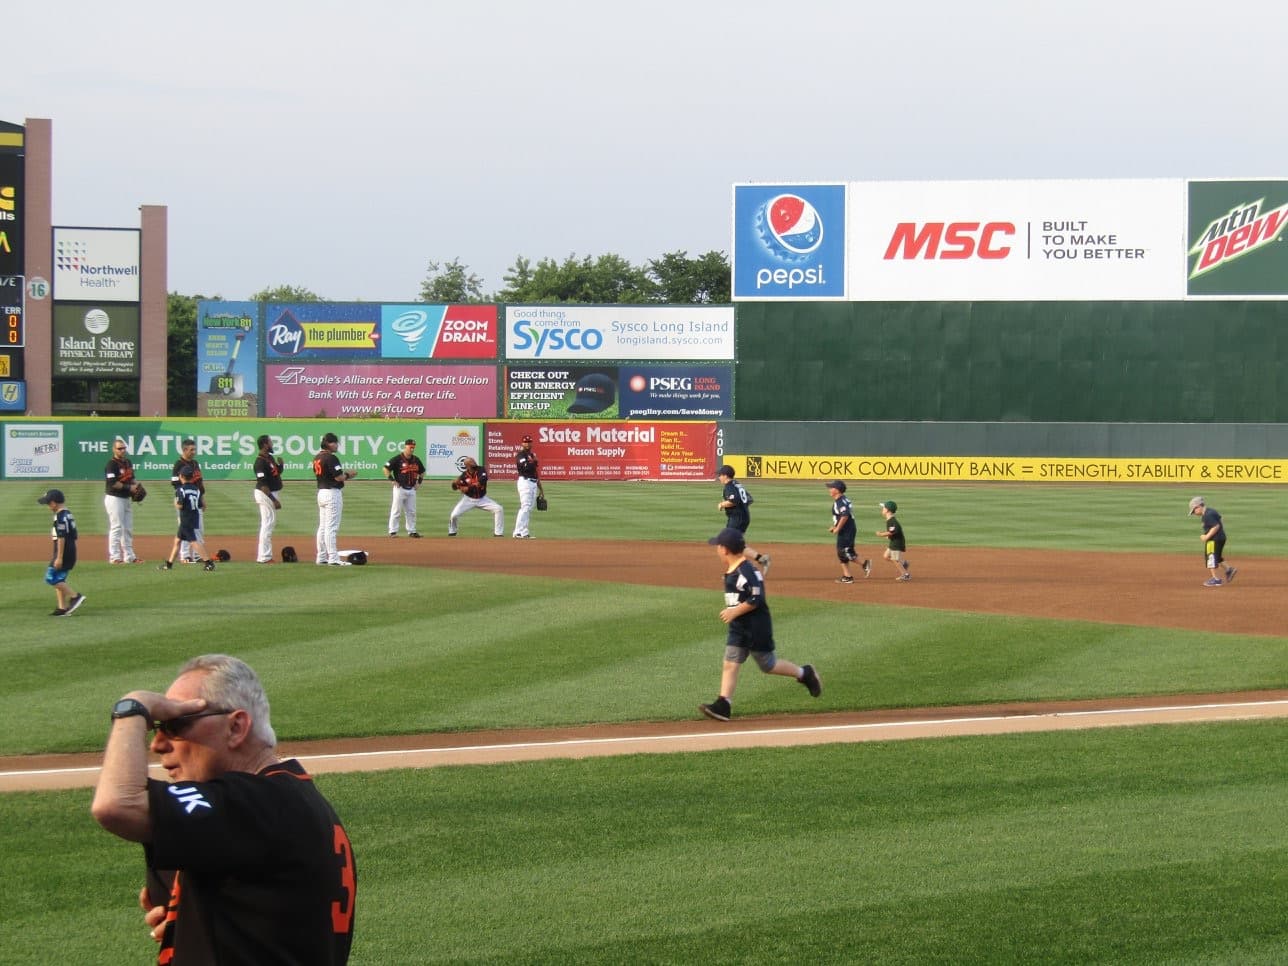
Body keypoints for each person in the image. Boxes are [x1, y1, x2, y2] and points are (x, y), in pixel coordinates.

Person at [91, 654, 356, 964]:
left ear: (236, 727)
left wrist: (132, 708)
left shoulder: (261, 805)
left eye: (177, 724)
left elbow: (116, 804)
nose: (158, 744)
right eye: (157, 727)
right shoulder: (283, 798)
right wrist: (186, 919)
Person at [698, 527, 821, 722]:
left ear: (725, 549)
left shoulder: (747, 571)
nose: (717, 549)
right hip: (739, 628)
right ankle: (724, 704)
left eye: (718, 546)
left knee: (768, 665)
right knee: (730, 663)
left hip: (756, 628)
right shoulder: (733, 570)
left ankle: (804, 673)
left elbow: (757, 598)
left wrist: (733, 611)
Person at [38, 488, 86, 616]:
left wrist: (59, 557)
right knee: (60, 579)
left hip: (63, 551)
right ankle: (62, 608)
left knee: (50, 578)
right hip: (69, 549)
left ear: (53, 503)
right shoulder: (68, 513)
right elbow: (74, 535)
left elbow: (61, 537)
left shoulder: (60, 516)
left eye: (48, 503)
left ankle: (75, 596)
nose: (48, 506)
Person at [716, 464, 771, 573]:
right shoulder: (737, 484)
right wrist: (742, 508)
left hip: (737, 519)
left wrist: (722, 504)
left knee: (728, 544)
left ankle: (739, 570)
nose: (719, 477)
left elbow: (734, 500)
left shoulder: (729, 486)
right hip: (743, 516)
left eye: (720, 475)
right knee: (737, 544)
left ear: (726, 476)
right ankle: (761, 559)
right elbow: (749, 499)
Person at [158, 466, 215, 571]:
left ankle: (208, 562)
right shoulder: (197, 490)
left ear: (181, 476)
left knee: (193, 542)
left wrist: (175, 503)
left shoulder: (181, 490)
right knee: (177, 541)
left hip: (185, 519)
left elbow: (180, 505)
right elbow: (201, 506)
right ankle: (169, 564)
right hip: (194, 517)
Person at [314, 432, 355, 565]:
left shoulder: (317, 457)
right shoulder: (331, 458)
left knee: (323, 527)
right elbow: (338, 477)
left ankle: (321, 557)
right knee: (331, 528)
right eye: (335, 443)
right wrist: (349, 474)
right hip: (332, 493)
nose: (337, 445)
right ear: (328, 444)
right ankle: (333, 558)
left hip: (321, 492)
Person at [104, 437, 144, 563]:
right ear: (114, 449)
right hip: (114, 498)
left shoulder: (128, 462)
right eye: (119, 448)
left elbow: (131, 478)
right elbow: (113, 483)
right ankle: (115, 557)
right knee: (116, 527)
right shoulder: (111, 464)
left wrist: (137, 487)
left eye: (124, 448)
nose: (122, 450)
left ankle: (129, 556)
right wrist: (129, 487)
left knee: (127, 528)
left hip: (126, 498)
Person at [448, 457, 504, 537]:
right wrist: (455, 484)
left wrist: (467, 488)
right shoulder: (464, 476)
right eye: (471, 462)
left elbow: (481, 481)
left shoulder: (481, 469)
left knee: (499, 509)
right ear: (467, 465)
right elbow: (454, 488)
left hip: (482, 499)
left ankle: (498, 533)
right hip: (468, 500)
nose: (474, 462)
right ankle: (452, 532)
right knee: (454, 515)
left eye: (473, 461)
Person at [826, 480, 869, 584]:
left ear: (837, 490)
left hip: (846, 530)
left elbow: (845, 515)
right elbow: (842, 516)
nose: (829, 489)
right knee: (842, 552)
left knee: (845, 552)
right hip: (847, 529)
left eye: (831, 488)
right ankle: (847, 576)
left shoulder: (840, 501)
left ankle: (864, 564)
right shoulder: (842, 499)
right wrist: (835, 526)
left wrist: (837, 528)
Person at [170, 438, 205, 563]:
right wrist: (184, 497)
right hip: (185, 501)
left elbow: (200, 482)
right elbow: (175, 483)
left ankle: (197, 555)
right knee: (185, 528)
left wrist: (202, 498)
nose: (194, 452)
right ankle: (185, 555)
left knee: (199, 528)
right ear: (184, 450)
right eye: (191, 450)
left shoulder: (195, 463)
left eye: (194, 449)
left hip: (196, 499)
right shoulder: (178, 464)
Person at [1189, 496, 1237, 587]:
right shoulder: (1211, 511)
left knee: (1210, 557)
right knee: (1217, 556)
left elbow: (1216, 526)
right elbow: (1220, 519)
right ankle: (1229, 569)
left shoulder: (1207, 515)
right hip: (1221, 537)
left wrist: (1207, 536)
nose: (1194, 513)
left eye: (1194, 511)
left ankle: (1216, 579)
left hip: (1213, 539)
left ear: (1198, 506)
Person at [253, 434, 285, 563]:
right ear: (265, 445)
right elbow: (263, 485)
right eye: (270, 442)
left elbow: (276, 472)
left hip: (270, 493)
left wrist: (281, 465)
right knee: (267, 525)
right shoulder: (259, 462)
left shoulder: (269, 458)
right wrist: (274, 500)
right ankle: (264, 557)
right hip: (265, 494)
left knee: (269, 524)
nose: (272, 444)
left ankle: (265, 555)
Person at [384, 438, 425, 538]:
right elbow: (385, 468)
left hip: (411, 489)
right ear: (405, 446)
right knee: (396, 510)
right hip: (400, 489)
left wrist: (419, 482)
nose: (412, 449)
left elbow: (422, 472)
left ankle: (412, 531)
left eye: (413, 447)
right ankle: (393, 531)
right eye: (410, 447)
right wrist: (392, 480)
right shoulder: (398, 459)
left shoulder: (416, 460)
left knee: (411, 511)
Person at [512, 434, 545, 539]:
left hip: (533, 482)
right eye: (525, 442)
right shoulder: (520, 455)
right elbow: (524, 467)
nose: (527, 443)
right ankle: (517, 532)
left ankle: (524, 532)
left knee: (529, 508)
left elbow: (535, 472)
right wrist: (533, 461)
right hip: (525, 482)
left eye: (529, 441)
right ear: (522, 443)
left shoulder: (531, 455)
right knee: (525, 506)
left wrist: (541, 489)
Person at [876, 500, 912, 580]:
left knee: (895, 559)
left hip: (897, 543)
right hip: (894, 541)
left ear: (888, 510)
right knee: (886, 556)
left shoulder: (892, 521)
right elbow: (894, 531)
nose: (882, 509)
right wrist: (889, 536)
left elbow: (891, 532)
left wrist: (881, 534)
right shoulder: (889, 520)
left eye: (883, 508)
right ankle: (903, 563)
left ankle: (905, 575)